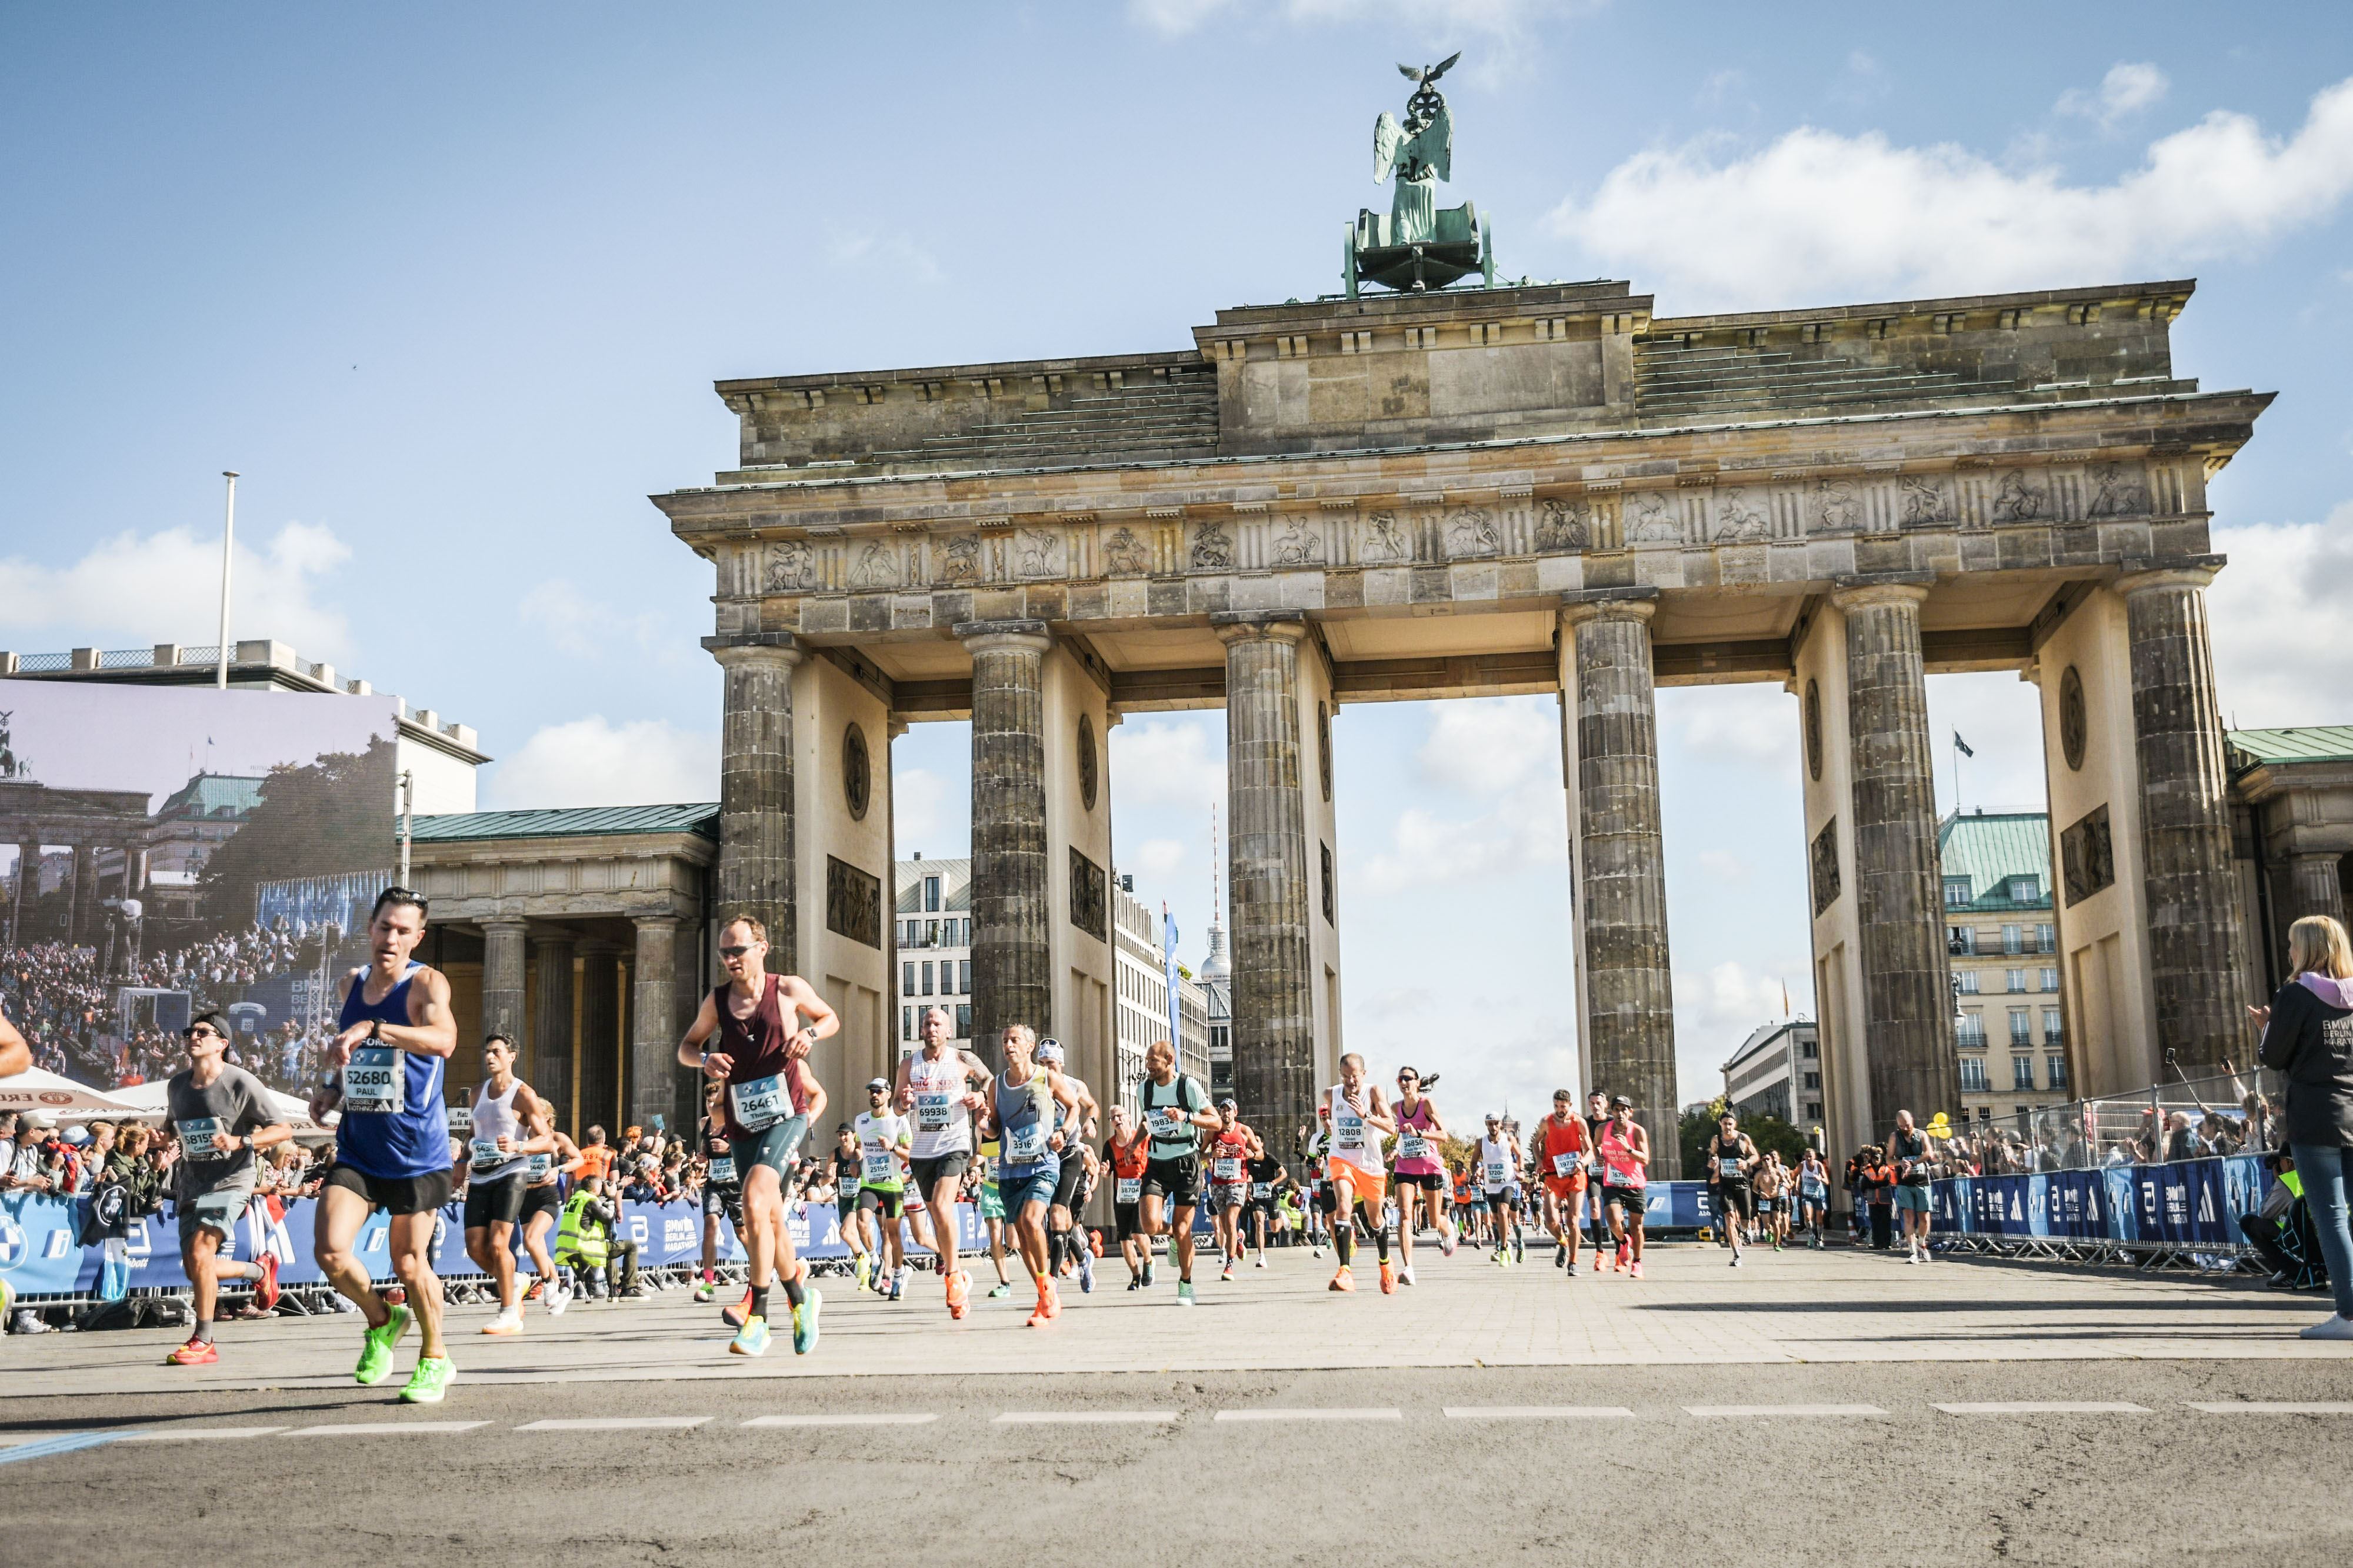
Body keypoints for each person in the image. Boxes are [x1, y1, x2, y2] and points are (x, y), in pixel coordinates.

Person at [306, 887, 461, 1404]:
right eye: (383, 927)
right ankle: (382, 1317)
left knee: (411, 1264)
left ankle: (435, 1357)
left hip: (418, 1150)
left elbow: (444, 1041)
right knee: (330, 1250)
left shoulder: (427, 983)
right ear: (369, 929)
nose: (391, 938)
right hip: (359, 1147)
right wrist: (332, 1089)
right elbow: (360, 1060)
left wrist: (376, 1026)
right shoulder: (350, 982)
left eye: (402, 931)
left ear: (418, 938)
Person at [678, 913, 834, 1357]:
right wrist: (704, 1059)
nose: (730, 959)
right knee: (768, 1219)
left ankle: (760, 1317)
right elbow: (686, 1047)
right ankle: (803, 1302)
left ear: (761, 949)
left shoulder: (787, 989)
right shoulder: (718, 1000)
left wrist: (810, 1033)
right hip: (744, 1120)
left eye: (738, 950)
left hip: (787, 1114)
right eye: (724, 952)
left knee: (754, 1200)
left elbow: (830, 1017)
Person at [162, 1011, 291, 1365]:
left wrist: (241, 1141)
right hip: (192, 1181)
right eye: (190, 1031)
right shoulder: (176, 1086)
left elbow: (283, 1129)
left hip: (232, 1179)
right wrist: (165, 1138)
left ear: (223, 1043)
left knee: (203, 1254)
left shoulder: (241, 1083)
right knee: (195, 1268)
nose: (194, 1036)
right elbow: (173, 1129)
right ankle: (259, 1271)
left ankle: (203, 1340)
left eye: (203, 1032)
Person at [2254, 913, 2353, 1340]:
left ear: (2308, 948)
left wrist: (2268, 1028)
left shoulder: (2295, 994)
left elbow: (2273, 1057)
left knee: (2330, 1216)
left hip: (2316, 1115)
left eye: (2294, 943)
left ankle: (2348, 1315)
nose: (2289, 951)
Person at [895, 1004, 992, 1319]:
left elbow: (989, 1081)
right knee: (938, 1217)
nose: (932, 1028)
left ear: (949, 1031)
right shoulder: (909, 1064)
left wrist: (980, 1098)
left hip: (954, 1144)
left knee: (940, 1207)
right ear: (921, 1031)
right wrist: (903, 1102)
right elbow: (896, 1106)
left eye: (938, 1024)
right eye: (927, 1024)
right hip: (922, 1150)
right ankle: (959, 1273)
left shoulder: (962, 1059)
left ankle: (952, 1278)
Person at [982, 1025, 1081, 1327]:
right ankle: (1044, 1292)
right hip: (1011, 1169)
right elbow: (994, 1130)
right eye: (1005, 1041)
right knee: (1023, 1239)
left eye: (1015, 1040)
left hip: (1043, 1164)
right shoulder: (996, 1085)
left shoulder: (1047, 1077)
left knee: (1030, 1221)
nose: (1009, 1045)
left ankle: (1048, 1283)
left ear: (1030, 1046)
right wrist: (982, 1121)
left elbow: (1074, 1106)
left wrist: (1063, 1132)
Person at [458, 1033, 554, 1336]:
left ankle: (509, 1312)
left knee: (499, 1244)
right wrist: (461, 1162)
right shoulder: (476, 1093)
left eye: (496, 1052)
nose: (490, 1057)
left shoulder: (523, 1093)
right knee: (475, 1248)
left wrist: (519, 1147)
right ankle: (513, 1281)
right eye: (487, 1052)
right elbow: (472, 1134)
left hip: (512, 1173)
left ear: (512, 1056)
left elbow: (547, 1140)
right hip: (481, 1175)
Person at [1136, 1037, 1219, 1305]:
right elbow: (1146, 1121)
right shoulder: (1144, 1090)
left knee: (1185, 1228)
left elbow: (1215, 1121)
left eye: (1153, 1061)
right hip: (1157, 1162)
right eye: (1148, 1061)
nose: (1148, 1066)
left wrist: (1186, 1116)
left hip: (1187, 1162)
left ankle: (1186, 1284)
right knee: (1149, 1224)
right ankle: (1169, 1234)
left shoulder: (1187, 1087)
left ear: (1169, 1061)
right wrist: (1134, 1144)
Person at [1322, 1053, 1399, 1294]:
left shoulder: (1373, 1092)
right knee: (1343, 1206)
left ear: (1363, 1075)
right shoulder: (1331, 1094)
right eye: (1345, 1077)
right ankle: (1345, 1271)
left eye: (1354, 1076)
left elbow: (1391, 1127)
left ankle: (1385, 1264)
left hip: (1371, 1164)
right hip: (1342, 1158)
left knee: (1376, 1220)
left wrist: (1366, 1115)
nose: (1350, 1082)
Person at [1034, 1039, 1101, 1295]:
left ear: (1060, 1063)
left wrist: (1091, 1122)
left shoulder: (1074, 1085)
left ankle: (1052, 1281)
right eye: (1041, 1064)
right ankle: (1084, 1261)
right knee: (1059, 1221)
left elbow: (1091, 1105)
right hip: (1043, 1156)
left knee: (1057, 1215)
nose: (1046, 1069)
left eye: (1050, 1063)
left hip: (1070, 1156)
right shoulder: (1033, 1086)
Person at [1389, 1066, 1454, 1283]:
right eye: (1400, 1079)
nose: (1404, 1082)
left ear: (1417, 1082)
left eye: (1408, 1078)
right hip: (1405, 1166)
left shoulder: (1426, 1105)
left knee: (1435, 1220)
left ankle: (1447, 1228)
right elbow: (1400, 1136)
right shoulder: (1395, 1107)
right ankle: (1408, 1268)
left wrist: (1420, 1133)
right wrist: (1395, 1149)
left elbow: (1444, 1135)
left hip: (1429, 1166)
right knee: (1405, 1215)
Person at [853, 1078, 912, 1300]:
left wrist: (892, 1147)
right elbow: (859, 1146)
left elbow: (910, 1153)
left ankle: (898, 1275)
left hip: (893, 1186)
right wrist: (855, 1160)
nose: (874, 1095)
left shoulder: (899, 1122)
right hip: (870, 1183)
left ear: (888, 1095)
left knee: (894, 1234)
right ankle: (875, 1261)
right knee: (861, 1222)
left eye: (878, 1092)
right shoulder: (861, 1120)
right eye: (871, 1092)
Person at [518, 1125, 580, 1315]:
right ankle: (561, 1288)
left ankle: (547, 1281)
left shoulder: (556, 1137)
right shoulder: (519, 1137)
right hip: (524, 1197)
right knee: (538, 1248)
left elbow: (579, 1159)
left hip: (547, 1198)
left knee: (529, 1240)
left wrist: (559, 1170)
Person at [695, 1082, 745, 1305]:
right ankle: (708, 1281)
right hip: (714, 1184)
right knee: (710, 1226)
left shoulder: (735, 1123)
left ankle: (761, 1271)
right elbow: (704, 1149)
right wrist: (702, 1157)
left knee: (742, 1232)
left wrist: (728, 1149)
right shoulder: (704, 1123)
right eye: (708, 1102)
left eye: (716, 1102)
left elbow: (746, 1150)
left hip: (736, 1185)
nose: (711, 1105)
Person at [1532, 1089, 1590, 1275]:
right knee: (1550, 1221)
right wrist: (1539, 1161)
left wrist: (1582, 1163)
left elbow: (1591, 1151)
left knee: (1572, 1220)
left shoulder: (1578, 1122)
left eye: (1563, 1107)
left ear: (1570, 1106)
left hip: (1574, 1175)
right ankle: (1563, 1242)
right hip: (1552, 1174)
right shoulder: (1547, 1122)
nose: (1559, 1110)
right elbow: (1536, 1143)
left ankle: (1573, 1263)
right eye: (1556, 1106)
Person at [1595, 1095, 1649, 1278]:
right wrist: (1598, 1156)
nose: (1620, 1114)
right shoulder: (1603, 1129)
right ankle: (1623, 1240)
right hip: (1612, 1182)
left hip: (1634, 1183)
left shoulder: (1637, 1132)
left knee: (1637, 1227)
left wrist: (1628, 1148)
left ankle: (1637, 1262)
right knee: (1612, 1219)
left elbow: (1645, 1159)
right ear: (1611, 1112)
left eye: (1624, 1110)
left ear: (1630, 1112)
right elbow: (1595, 1146)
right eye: (1617, 1110)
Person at [1205, 1098, 1254, 1283]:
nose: (1225, 1114)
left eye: (1229, 1110)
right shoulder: (1212, 1132)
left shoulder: (1243, 1130)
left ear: (1235, 1113)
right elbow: (1199, 1154)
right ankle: (1238, 1241)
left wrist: (1252, 1154)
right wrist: (1211, 1155)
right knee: (1225, 1225)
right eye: (1222, 1110)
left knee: (1232, 1220)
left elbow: (1260, 1153)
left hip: (1238, 1181)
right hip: (1218, 1183)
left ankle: (1229, 1264)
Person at [1104, 1106, 1152, 1289]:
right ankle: (1135, 1276)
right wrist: (1103, 1171)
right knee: (1125, 1239)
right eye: (1113, 1118)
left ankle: (1148, 1262)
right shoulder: (1110, 1145)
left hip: (1142, 1192)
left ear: (1129, 1118)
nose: (1117, 1120)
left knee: (1138, 1234)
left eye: (1120, 1116)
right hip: (1122, 1195)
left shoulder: (1143, 1139)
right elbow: (1107, 1170)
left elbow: (1154, 1159)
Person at [1706, 1110, 1758, 1267]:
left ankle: (1745, 1229)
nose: (1727, 1127)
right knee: (1728, 1217)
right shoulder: (1716, 1140)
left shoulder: (1743, 1139)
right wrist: (1712, 1161)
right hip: (1725, 1184)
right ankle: (1736, 1254)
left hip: (1742, 1184)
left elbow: (1756, 1156)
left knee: (1744, 1219)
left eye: (1730, 1124)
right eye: (1724, 1124)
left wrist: (1747, 1163)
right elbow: (1712, 1156)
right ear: (1720, 1124)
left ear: (1735, 1124)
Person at [1474, 1113, 1524, 1267]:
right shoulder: (1480, 1142)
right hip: (1491, 1185)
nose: (1493, 1127)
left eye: (1496, 1123)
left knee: (1504, 1212)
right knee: (1495, 1219)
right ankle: (1507, 1245)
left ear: (1500, 1124)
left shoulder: (1509, 1139)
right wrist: (1475, 1172)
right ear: (1486, 1124)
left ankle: (1504, 1248)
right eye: (1490, 1124)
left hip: (1508, 1182)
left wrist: (1521, 1171)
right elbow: (1473, 1162)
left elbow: (1520, 1154)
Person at [1888, 1109, 1935, 1263]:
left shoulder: (1921, 1134)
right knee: (1908, 1217)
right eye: (1902, 1126)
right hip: (1904, 1182)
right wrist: (1900, 1162)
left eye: (1907, 1125)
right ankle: (1912, 1251)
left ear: (1912, 1121)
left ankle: (1922, 1244)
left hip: (1921, 1180)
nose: (1905, 1128)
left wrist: (1914, 1163)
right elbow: (1888, 1159)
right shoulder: (1895, 1136)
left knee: (1924, 1218)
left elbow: (1929, 1153)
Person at [1242, 1132, 1287, 1269]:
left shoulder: (1269, 1157)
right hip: (1258, 1196)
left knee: (1274, 1229)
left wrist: (1273, 1183)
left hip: (1271, 1195)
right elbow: (1248, 1176)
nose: (1253, 1144)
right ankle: (1261, 1256)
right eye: (1252, 1141)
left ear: (1261, 1144)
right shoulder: (1249, 1159)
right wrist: (1247, 1189)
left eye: (1256, 1141)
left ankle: (1283, 1218)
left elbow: (1284, 1173)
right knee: (1259, 1223)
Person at [1795, 1146, 1831, 1248]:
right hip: (1806, 1195)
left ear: (1814, 1157)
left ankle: (1820, 1238)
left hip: (1819, 1195)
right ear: (1804, 1157)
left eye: (1810, 1156)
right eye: (1807, 1157)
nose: (1809, 1159)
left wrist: (1820, 1178)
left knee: (1819, 1220)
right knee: (1808, 1217)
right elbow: (1795, 1175)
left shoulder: (1818, 1165)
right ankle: (1811, 1235)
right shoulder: (1802, 1165)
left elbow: (1827, 1181)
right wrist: (1796, 1187)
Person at [1755, 1149, 1789, 1253]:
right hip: (1764, 1200)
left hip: (1776, 1198)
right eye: (1764, 1159)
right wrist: (1760, 1193)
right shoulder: (1759, 1174)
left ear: (1771, 1160)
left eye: (1768, 1159)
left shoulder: (1778, 1173)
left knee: (1776, 1222)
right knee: (1766, 1224)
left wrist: (1784, 1185)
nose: (1766, 1161)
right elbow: (1754, 1187)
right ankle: (1769, 1231)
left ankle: (1776, 1244)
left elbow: (1789, 1184)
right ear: (1761, 1162)